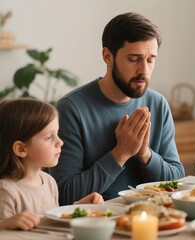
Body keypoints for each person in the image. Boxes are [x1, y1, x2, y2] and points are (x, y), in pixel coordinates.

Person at [49, 12, 185, 205]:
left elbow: (177, 181)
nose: (144, 71)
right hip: (97, 221)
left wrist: (144, 153)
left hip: (153, 216)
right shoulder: (71, 109)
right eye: (134, 59)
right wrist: (121, 153)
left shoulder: (158, 104)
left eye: (150, 59)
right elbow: (64, 194)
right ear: (107, 56)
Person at [0, 98, 103, 230]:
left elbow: (51, 221)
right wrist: (4, 225)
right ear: (21, 149)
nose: (60, 142)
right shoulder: (6, 191)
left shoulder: (49, 181)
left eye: (57, 134)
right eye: (49, 137)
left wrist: (79, 208)